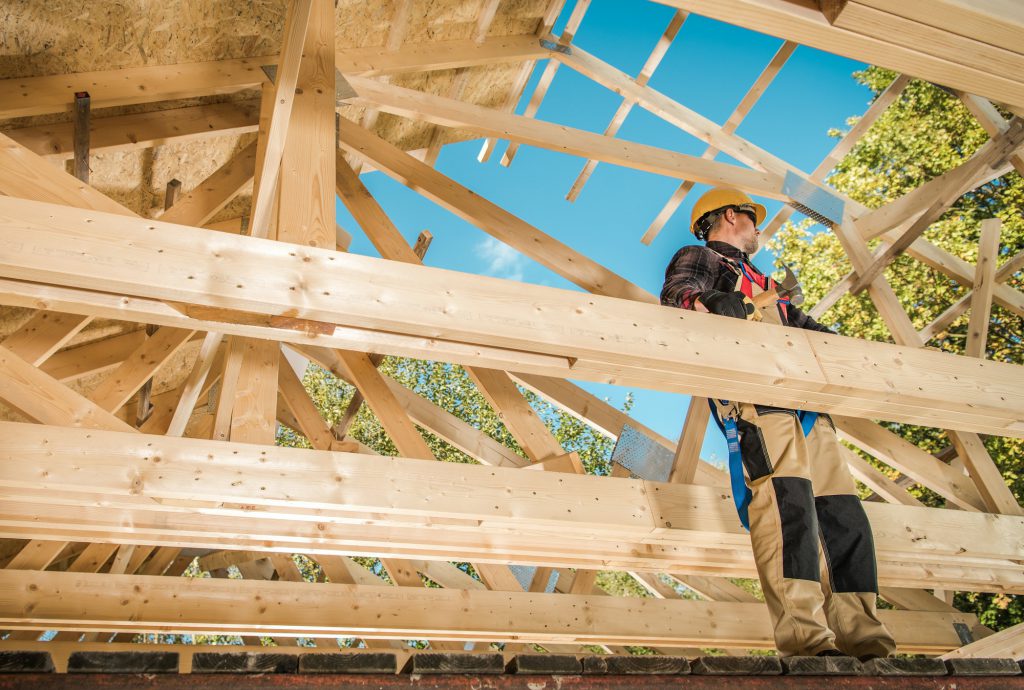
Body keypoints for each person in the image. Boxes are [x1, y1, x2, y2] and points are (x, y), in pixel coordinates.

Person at [660, 187, 895, 660]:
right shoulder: (703, 257)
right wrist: (719, 304)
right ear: (731, 215)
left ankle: (864, 638)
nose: (758, 228)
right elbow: (678, 296)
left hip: (808, 409)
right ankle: (806, 640)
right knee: (787, 510)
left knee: (842, 516)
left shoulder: (765, 282)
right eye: (753, 218)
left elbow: (816, 335)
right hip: (758, 402)